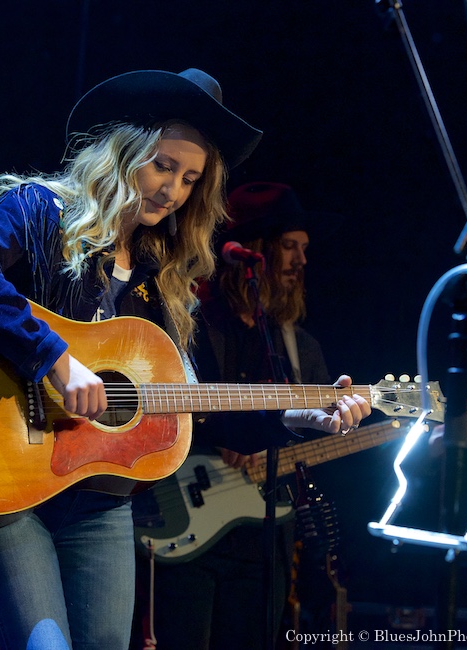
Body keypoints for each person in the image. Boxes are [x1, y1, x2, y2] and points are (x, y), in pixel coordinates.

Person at [0, 70, 369, 650]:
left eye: (189, 179)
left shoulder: (164, 276)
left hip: (99, 504)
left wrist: (296, 416)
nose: (172, 191)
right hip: (4, 482)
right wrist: (54, 358)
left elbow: (188, 405)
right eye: (163, 166)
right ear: (123, 150)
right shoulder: (42, 210)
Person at [134, 182, 359, 649]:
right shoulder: (193, 324)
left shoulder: (301, 350)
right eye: (290, 247)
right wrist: (221, 435)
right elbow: (155, 408)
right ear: (257, 252)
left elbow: (310, 434)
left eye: (304, 249)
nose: (301, 261)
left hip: (265, 540)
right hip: (184, 523)